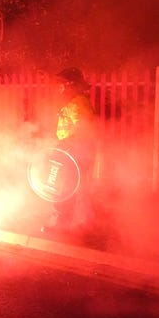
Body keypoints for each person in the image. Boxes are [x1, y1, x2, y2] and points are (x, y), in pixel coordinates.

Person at [42, 67, 97, 235]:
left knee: (65, 187)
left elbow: (83, 130)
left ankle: (63, 225)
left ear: (71, 85)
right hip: (73, 151)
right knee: (77, 189)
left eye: (62, 84)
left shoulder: (78, 103)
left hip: (75, 152)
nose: (59, 87)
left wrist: (64, 146)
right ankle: (85, 224)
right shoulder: (73, 102)